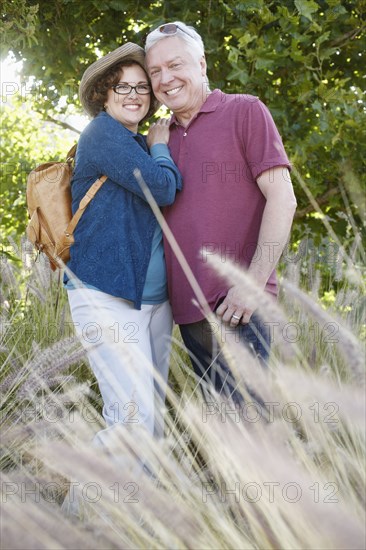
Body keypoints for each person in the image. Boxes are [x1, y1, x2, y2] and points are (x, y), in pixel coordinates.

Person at [145, 22, 297, 404]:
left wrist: (251, 285)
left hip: (239, 306)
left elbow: (284, 199)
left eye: (175, 65)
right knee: (225, 441)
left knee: (249, 432)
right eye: (155, 71)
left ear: (201, 63)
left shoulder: (244, 111)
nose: (165, 79)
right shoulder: (158, 140)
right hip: (189, 313)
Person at [64, 42, 182, 445]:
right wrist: (162, 146)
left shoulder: (133, 143)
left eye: (141, 87)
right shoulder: (102, 134)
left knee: (151, 422)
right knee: (132, 421)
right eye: (122, 87)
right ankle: (78, 506)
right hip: (106, 296)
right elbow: (161, 189)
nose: (134, 96)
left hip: (152, 302)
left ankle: (133, 509)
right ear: (104, 95)